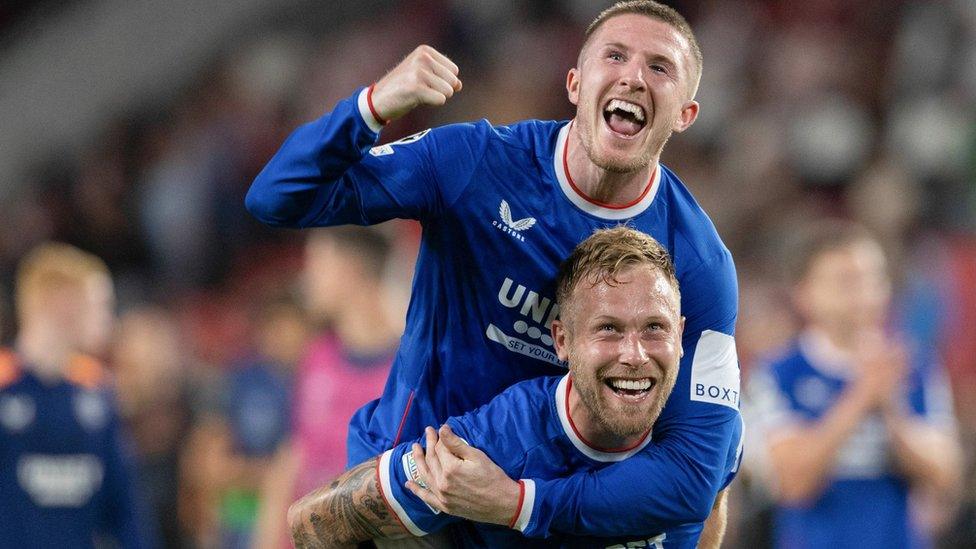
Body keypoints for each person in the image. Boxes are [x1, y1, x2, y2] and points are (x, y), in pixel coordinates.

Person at [247, 0, 740, 536]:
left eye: (659, 67)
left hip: (548, 504)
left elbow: (696, 474)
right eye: (615, 56)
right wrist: (371, 108)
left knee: (722, 473)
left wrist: (519, 503)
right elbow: (278, 197)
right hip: (422, 477)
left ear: (686, 114)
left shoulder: (701, 265)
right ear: (575, 83)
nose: (634, 78)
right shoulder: (476, 162)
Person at [288, 227, 741, 548]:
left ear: (681, 336)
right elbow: (313, 522)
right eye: (608, 329)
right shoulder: (497, 441)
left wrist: (516, 505)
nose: (635, 354)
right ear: (562, 340)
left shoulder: (710, 434)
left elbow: (707, 512)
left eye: (654, 329)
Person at [745, 221, 962, 548]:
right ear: (805, 293)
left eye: (873, 279)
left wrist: (892, 409)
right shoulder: (778, 373)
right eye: (845, 282)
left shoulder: (915, 367)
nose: (863, 293)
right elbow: (793, 483)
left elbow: (944, 475)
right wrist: (861, 397)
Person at [252, 226, 402, 549]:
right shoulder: (314, 358)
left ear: (350, 271)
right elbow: (291, 458)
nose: (307, 280)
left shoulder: (404, 373)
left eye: (317, 265)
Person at [0, 242, 156, 547]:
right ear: (64, 303)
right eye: (102, 305)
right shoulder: (4, 384)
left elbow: (125, 509)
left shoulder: (97, 390)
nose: (109, 321)